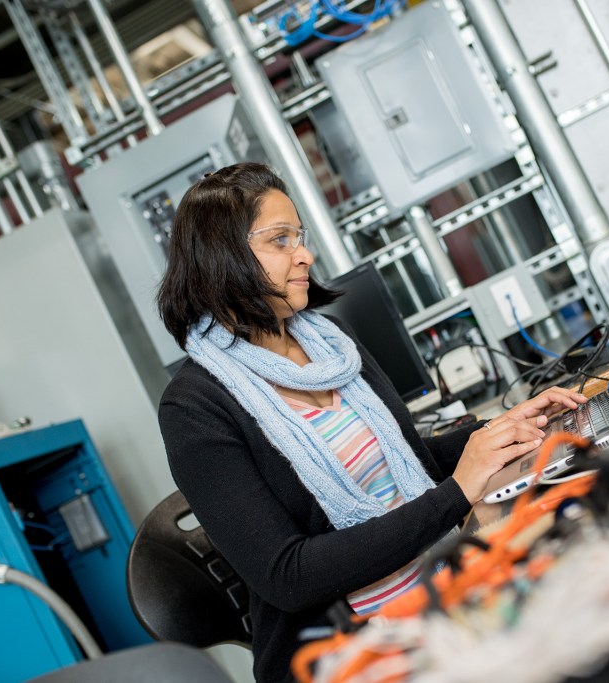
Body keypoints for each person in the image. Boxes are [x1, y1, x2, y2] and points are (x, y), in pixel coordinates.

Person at [156, 162, 586, 683]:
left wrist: (499, 431)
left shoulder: (331, 343)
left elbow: (406, 461)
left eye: (299, 237)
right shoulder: (194, 408)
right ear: (221, 257)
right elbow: (290, 575)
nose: (305, 255)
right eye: (280, 240)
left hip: (439, 587)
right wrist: (457, 493)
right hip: (346, 652)